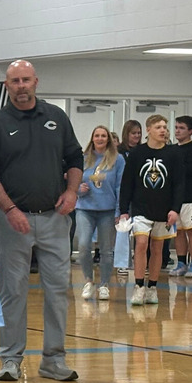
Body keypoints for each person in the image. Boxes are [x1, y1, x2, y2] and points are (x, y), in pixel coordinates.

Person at [0, 59, 83, 383]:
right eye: (14, 81)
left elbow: (75, 157)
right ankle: (10, 360)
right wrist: (9, 209)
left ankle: (53, 361)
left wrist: (72, 192)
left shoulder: (56, 117)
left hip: (54, 219)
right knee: (13, 292)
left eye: (25, 80)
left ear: (35, 82)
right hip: (11, 222)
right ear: (6, 86)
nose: (21, 86)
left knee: (57, 291)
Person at [119, 114, 181, 306]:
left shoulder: (173, 154)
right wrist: (123, 210)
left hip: (164, 208)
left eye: (165, 127)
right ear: (149, 130)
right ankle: (138, 286)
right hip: (140, 207)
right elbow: (127, 182)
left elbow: (179, 184)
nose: (163, 130)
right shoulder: (137, 153)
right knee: (141, 244)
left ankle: (152, 287)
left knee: (157, 248)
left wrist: (175, 209)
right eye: (158, 127)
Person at [75, 125, 125, 301]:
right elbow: (74, 182)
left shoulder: (117, 160)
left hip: (107, 210)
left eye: (103, 136)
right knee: (83, 246)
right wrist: (78, 189)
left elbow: (120, 186)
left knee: (106, 249)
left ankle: (104, 284)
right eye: (97, 135)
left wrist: (120, 210)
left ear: (108, 139)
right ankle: (88, 281)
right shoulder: (83, 159)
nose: (100, 138)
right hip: (85, 208)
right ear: (92, 138)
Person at [170, 115, 192, 278]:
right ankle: (181, 262)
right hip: (175, 198)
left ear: (190, 131)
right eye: (176, 127)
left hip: (190, 196)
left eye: (182, 128)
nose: (178, 131)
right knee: (178, 232)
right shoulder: (172, 150)